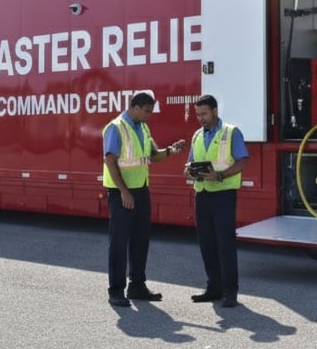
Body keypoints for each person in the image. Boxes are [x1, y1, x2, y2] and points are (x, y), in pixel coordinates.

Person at [102, 90, 187, 307]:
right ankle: (116, 290)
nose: (150, 115)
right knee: (119, 243)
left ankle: (137, 286)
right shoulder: (116, 127)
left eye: (151, 111)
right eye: (147, 111)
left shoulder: (143, 127)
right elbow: (110, 161)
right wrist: (124, 191)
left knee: (141, 241)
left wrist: (170, 151)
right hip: (122, 193)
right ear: (135, 107)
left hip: (141, 190)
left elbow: (151, 155)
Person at [184, 94, 249, 308]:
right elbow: (190, 163)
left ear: (214, 111)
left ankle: (230, 292)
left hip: (223, 195)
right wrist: (189, 172)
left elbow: (243, 160)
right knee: (207, 244)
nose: (200, 118)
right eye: (197, 114)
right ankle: (213, 288)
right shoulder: (196, 135)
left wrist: (221, 175)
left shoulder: (231, 132)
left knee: (225, 245)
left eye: (203, 113)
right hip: (202, 194)